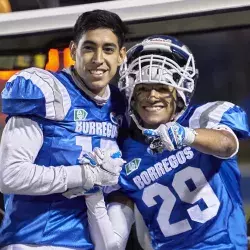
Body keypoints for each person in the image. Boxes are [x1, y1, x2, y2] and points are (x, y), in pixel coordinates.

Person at [84, 35, 250, 250]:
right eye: (143, 88)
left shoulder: (203, 117)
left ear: (180, 91)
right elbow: (113, 242)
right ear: (131, 94)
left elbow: (227, 145)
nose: (152, 96)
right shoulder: (123, 153)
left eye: (162, 88)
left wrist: (188, 136)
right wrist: (92, 190)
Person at [0, 9, 127, 250]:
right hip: (36, 241)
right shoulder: (46, 91)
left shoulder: (120, 104)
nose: (98, 59)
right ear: (72, 51)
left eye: (108, 49)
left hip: (90, 242)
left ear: (121, 55)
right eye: (89, 48)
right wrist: (83, 175)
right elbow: (10, 175)